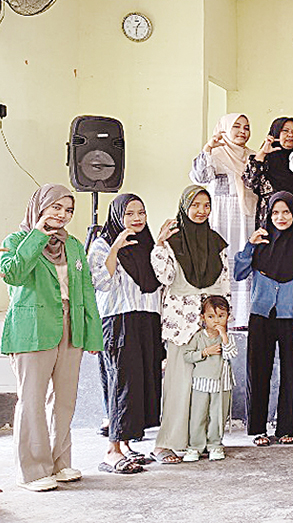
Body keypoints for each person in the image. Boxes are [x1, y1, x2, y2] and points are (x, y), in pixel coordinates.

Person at [2, 184, 102, 491]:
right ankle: (32, 471)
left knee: (65, 400)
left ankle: (59, 463)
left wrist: (93, 335)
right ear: (41, 206)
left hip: (71, 327)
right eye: (56, 207)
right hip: (33, 328)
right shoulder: (17, 240)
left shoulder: (72, 245)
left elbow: (86, 289)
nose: (62, 214)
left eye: (68, 210)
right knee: (31, 401)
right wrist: (38, 235)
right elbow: (14, 274)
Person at [151, 185, 230, 464]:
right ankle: (168, 443)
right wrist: (159, 245)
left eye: (206, 205)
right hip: (181, 323)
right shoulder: (172, 243)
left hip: (209, 322)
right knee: (179, 383)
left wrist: (221, 322)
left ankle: (205, 441)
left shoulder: (216, 242)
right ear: (185, 207)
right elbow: (164, 277)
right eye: (195, 205)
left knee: (207, 387)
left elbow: (224, 284)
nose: (201, 211)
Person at [88, 194, 162, 475]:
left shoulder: (147, 243)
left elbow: (157, 283)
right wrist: (116, 248)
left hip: (146, 318)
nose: (137, 218)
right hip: (119, 320)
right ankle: (112, 450)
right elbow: (101, 283)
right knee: (122, 383)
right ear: (118, 215)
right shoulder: (102, 243)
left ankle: (127, 444)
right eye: (130, 213)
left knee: (140, 383)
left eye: (141, 212)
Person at [234, 192, 293, 447]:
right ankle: (257, 428)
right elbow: (239, 272)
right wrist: (250, 245)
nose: (280, 217)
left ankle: (289, 427)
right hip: (261, 314)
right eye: (275, 212)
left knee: (292, 371)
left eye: (286, 212)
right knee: (258, 371)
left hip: (292, 315)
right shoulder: (261, 240)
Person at [190, 113, 255, 329]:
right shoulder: (215, 154)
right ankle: (216, 317)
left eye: (246, 127)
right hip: (221, 221)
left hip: (246, 221)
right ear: (224, 128)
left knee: (243, 264)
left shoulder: (253, 156)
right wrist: (208, 148)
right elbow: (200, 178)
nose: (242, 131)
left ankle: (242, 318)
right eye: (236, 126)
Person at [182, 296, 237, 462]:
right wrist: (205, 352)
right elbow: (187, 356)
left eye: (221, 316)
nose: (216, 321)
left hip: (222, 385)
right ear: (203, 317)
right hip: (201, 384)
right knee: (198, 416)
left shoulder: (228, 337)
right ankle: (195, 447)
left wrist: (224, 335)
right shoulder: (198, 337)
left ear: (228, 316)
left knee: (218, 416)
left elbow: (231, 354)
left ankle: (215, 445)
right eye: (211, 316)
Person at [243, 117, 293, 228]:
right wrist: (263, 153)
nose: (290, 135)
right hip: (271, 220)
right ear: (276, 132)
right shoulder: (264, 159)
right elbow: (250, 182)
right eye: (285, 131)